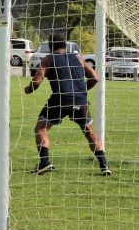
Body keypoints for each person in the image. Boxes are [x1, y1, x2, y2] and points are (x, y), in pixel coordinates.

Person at [24, 33, 110, 176]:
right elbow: (95, 77)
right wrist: (81, 90)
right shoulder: (77, 58)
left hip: (60, 100)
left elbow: (37, 81)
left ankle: (45, 162)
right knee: (90, 132)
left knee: (41, 128)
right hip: (80, 101)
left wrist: (29, 89)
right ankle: (104, 165)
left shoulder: (48, 59)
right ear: (65, 46)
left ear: (50, 46)